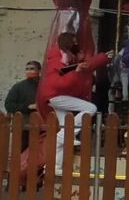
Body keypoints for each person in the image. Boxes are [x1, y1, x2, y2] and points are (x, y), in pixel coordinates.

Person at [41, 32, 110, 174]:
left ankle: (54, 166)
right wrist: (75, 73)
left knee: (64, 132)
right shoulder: (57, 61)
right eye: (74, 42)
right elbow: (59, 84)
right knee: (90, 108)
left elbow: (86, 66)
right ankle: (67, 135)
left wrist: (103, 58)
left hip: (56, 96)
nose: (76, 44)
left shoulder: (65, 58)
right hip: (57, 95)